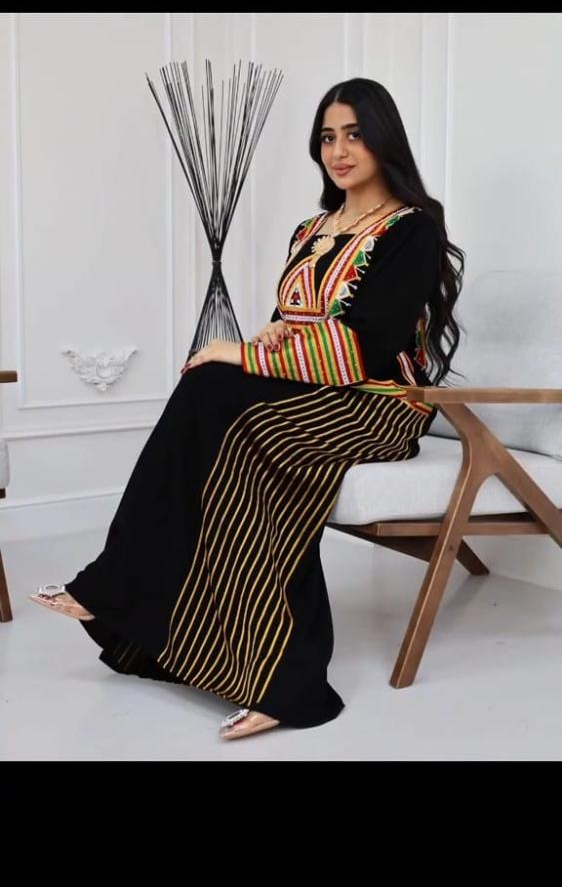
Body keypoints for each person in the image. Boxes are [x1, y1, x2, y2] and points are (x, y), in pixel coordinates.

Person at [30, 77, 464, 740]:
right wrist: (262, 340)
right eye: (328, 137)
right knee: (206, 387)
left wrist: (243, 353)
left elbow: (365, 348)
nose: (339, 150)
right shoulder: (312, 229)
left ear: (384, 140)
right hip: (315, 389)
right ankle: (127, 595)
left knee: (246, 430)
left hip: (378, 405)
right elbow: (292, 321)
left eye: (355, 134)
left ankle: (282, 682)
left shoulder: (412, 229)